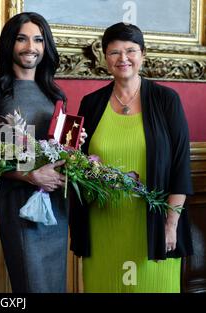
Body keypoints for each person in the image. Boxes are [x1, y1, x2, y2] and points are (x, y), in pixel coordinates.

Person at [71, 22, 193, 292]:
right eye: (114, 52)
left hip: (153, 227)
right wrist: (81, 162)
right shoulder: (91, 104)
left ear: (143, 54)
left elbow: (180, 166)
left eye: (130, 50)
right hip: (102, 226)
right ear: (105, 58)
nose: (123, 58)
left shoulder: (166, 100)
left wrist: (171, 224)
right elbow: (76, 164)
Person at [0, 12, 69, 292]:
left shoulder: (55, 94)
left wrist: (75, 143)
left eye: (38, 40)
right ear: (9, 44)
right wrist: (30, 176)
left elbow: (59, 147)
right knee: (32, 282)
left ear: (46, 46)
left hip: (55, 199)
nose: (31, 46)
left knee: (55, 283)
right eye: (22, 39)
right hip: (19, 198)